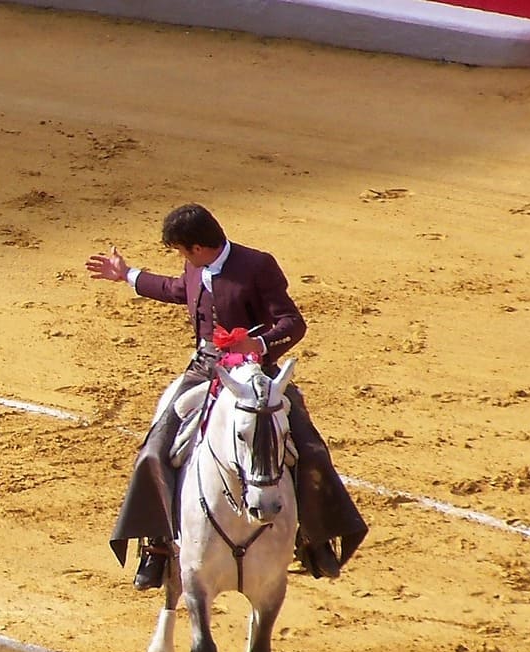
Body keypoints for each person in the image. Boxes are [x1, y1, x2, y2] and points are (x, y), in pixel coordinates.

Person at [85, 203, 366, 590]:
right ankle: (158, 546)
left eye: (183, 251)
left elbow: (292, 322)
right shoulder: (195, 266)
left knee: (309, 447)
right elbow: (176, 290)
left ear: (198, 247)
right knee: (155, 449)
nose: (183, 259)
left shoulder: (257, 265)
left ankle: (316, 539)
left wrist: (262, 343)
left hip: (256, 372)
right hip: (205, 367)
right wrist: (128, 275)